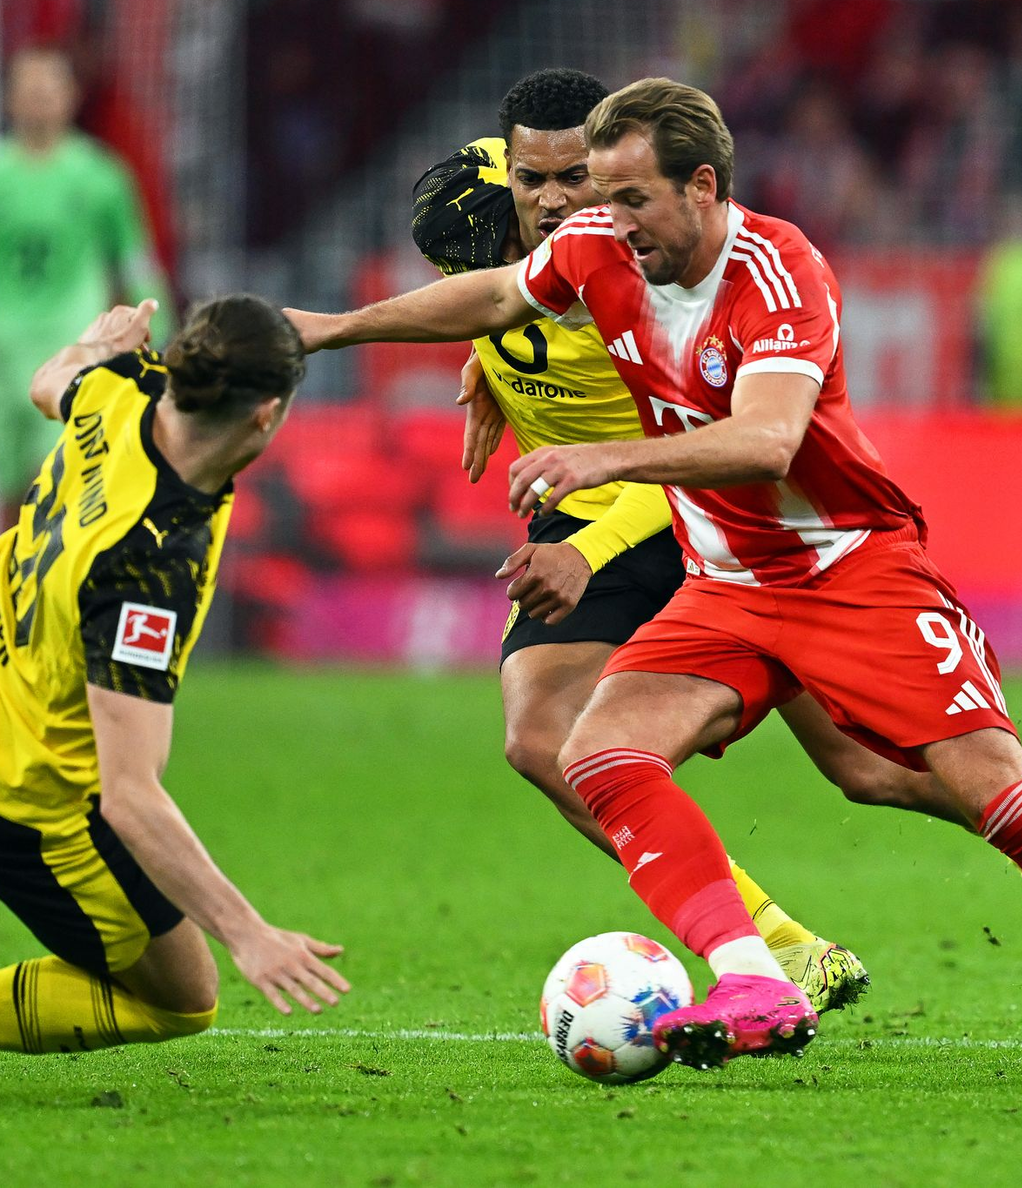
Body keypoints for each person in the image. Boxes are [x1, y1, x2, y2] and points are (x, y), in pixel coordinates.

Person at [284, 77, 1021, 1071]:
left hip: (849, 568)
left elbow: (766, 441)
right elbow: (500, 293)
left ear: (702, 186)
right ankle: (757, 974)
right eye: (598, 194)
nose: (605, 221)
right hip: (729, 583)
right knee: (599, 754)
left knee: (971, 783)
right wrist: (330, 328)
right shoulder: (596, 247)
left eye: (630, 197)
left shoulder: (779, 267)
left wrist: (602, 461)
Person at [0, 295, 349, 1054]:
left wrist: (89, 346)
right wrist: (247, 930)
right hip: (17, 791)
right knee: (184, 998)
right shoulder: (154, 564)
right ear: (266, 416)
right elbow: (129, 796)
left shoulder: (121, 387)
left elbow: (50, 380)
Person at [0, 47, 172, 506]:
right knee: (15, 498)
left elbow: (138, 265)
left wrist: (164, 340)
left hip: (72, 350)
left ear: (71, 97)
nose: (39, 100)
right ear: (9, 100)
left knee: (59, 486)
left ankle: (65, 579)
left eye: (49, 89)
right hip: (0, 360)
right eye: (28, 90)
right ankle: (25, 579)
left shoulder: (102, 178)